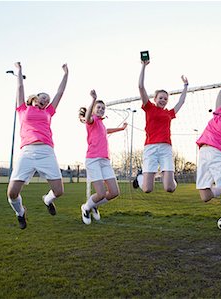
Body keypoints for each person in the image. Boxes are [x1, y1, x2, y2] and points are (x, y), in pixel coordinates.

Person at [7, 62, 68, 229]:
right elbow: (20, 87)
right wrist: (19, 71)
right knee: (12, 193)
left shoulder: (48, 112)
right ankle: (20, 213)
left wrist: (65, 74)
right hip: (26, 152)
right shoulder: (22, 109)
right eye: (43, 97)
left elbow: (60, 93)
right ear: (35, 98)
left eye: (47, 100)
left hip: (46, 152)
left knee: (59, 191)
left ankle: (47, 200)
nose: (46, 100)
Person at [133, 59, 189, 193]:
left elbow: (181, 102)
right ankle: (140, 177)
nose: (163, 100)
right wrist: (143, 66)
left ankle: (170, 179)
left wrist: (185, 86)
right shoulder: (149, 108)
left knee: (169, 188)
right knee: (147, 189)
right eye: (161, 98)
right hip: (150, 148)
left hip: (165, 149)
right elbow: (141, 86)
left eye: (165, 99)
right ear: (155, 99)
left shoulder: (169, 113)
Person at [80, 90, 128, 225]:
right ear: (94, 110)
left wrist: (121, 129)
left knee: (114, 192)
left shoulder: (101, 123)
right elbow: (88, 116)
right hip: (93, 160)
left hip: (105, 161)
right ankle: (86, 207)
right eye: (98, 107)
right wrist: (93, 100)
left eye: (103, 108)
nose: (101, 110)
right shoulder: (92, 120)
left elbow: (106, 131)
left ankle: (94, 205)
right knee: (100, 193)